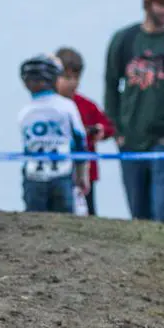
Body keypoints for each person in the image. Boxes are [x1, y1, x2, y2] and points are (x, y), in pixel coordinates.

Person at [104, 0, 164, 222]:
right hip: (132, 136)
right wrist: (116, 129)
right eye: (160, 2)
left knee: (163, 207)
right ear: (147, 3)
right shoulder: (125, 39)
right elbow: (111, 84)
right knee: (138, 210)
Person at [18, 56, 89, 213]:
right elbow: (80, 141)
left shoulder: (24, 113)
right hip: (61, 174)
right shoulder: (67, 107)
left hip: (34, 176)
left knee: (35, 221)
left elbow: (27, 149)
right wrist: (82, 174)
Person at [53, 47, 115, 216]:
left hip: (86, 175)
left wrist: (101, 131)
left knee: (88, 213)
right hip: (56, 173)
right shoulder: (48, 107)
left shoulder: (86, 105)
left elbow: (108, 126)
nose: (72, 82)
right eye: (67, 77)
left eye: (76, 77)